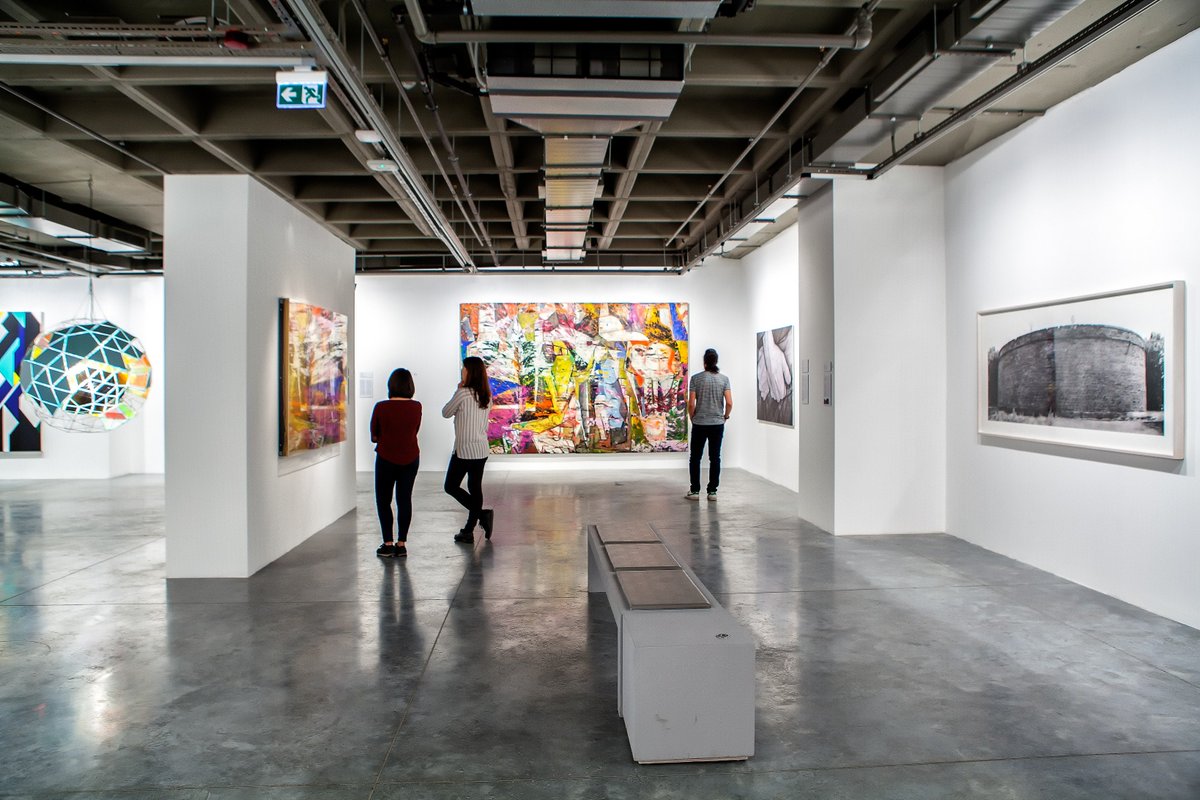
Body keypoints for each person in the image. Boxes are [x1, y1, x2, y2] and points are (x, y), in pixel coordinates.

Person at [442, 355, 494, 543]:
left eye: (464, 368)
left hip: (464, 450)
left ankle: (480, 518)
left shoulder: (463, 394)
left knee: (450, 486)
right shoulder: (486, 396)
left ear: (470, 372)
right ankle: (470, 529)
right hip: (480, 450)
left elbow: (445, 412)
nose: (462, 371)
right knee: (475, 488)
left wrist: (457, 390)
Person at [371, 368, 421, 557]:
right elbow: (415, 430)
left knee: (383, 500)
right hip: (410, 457)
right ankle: (401, 544)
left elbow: (374, 436)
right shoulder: (416, 407)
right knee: (404, 499)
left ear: (390, 385)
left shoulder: (381, 407)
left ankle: (388, 543)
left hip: (386, 458)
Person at [687, 348, 732, 501]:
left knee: (695, 458)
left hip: (699, 423)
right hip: (717, 424)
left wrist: (692, 417)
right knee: (715, 457)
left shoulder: (696, 379)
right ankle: (712, 491)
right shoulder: (724, 379)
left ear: (704, 362)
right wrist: (725, 416)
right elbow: (729, 402)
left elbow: (691, 404)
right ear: (716, 361)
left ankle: (694, 491)